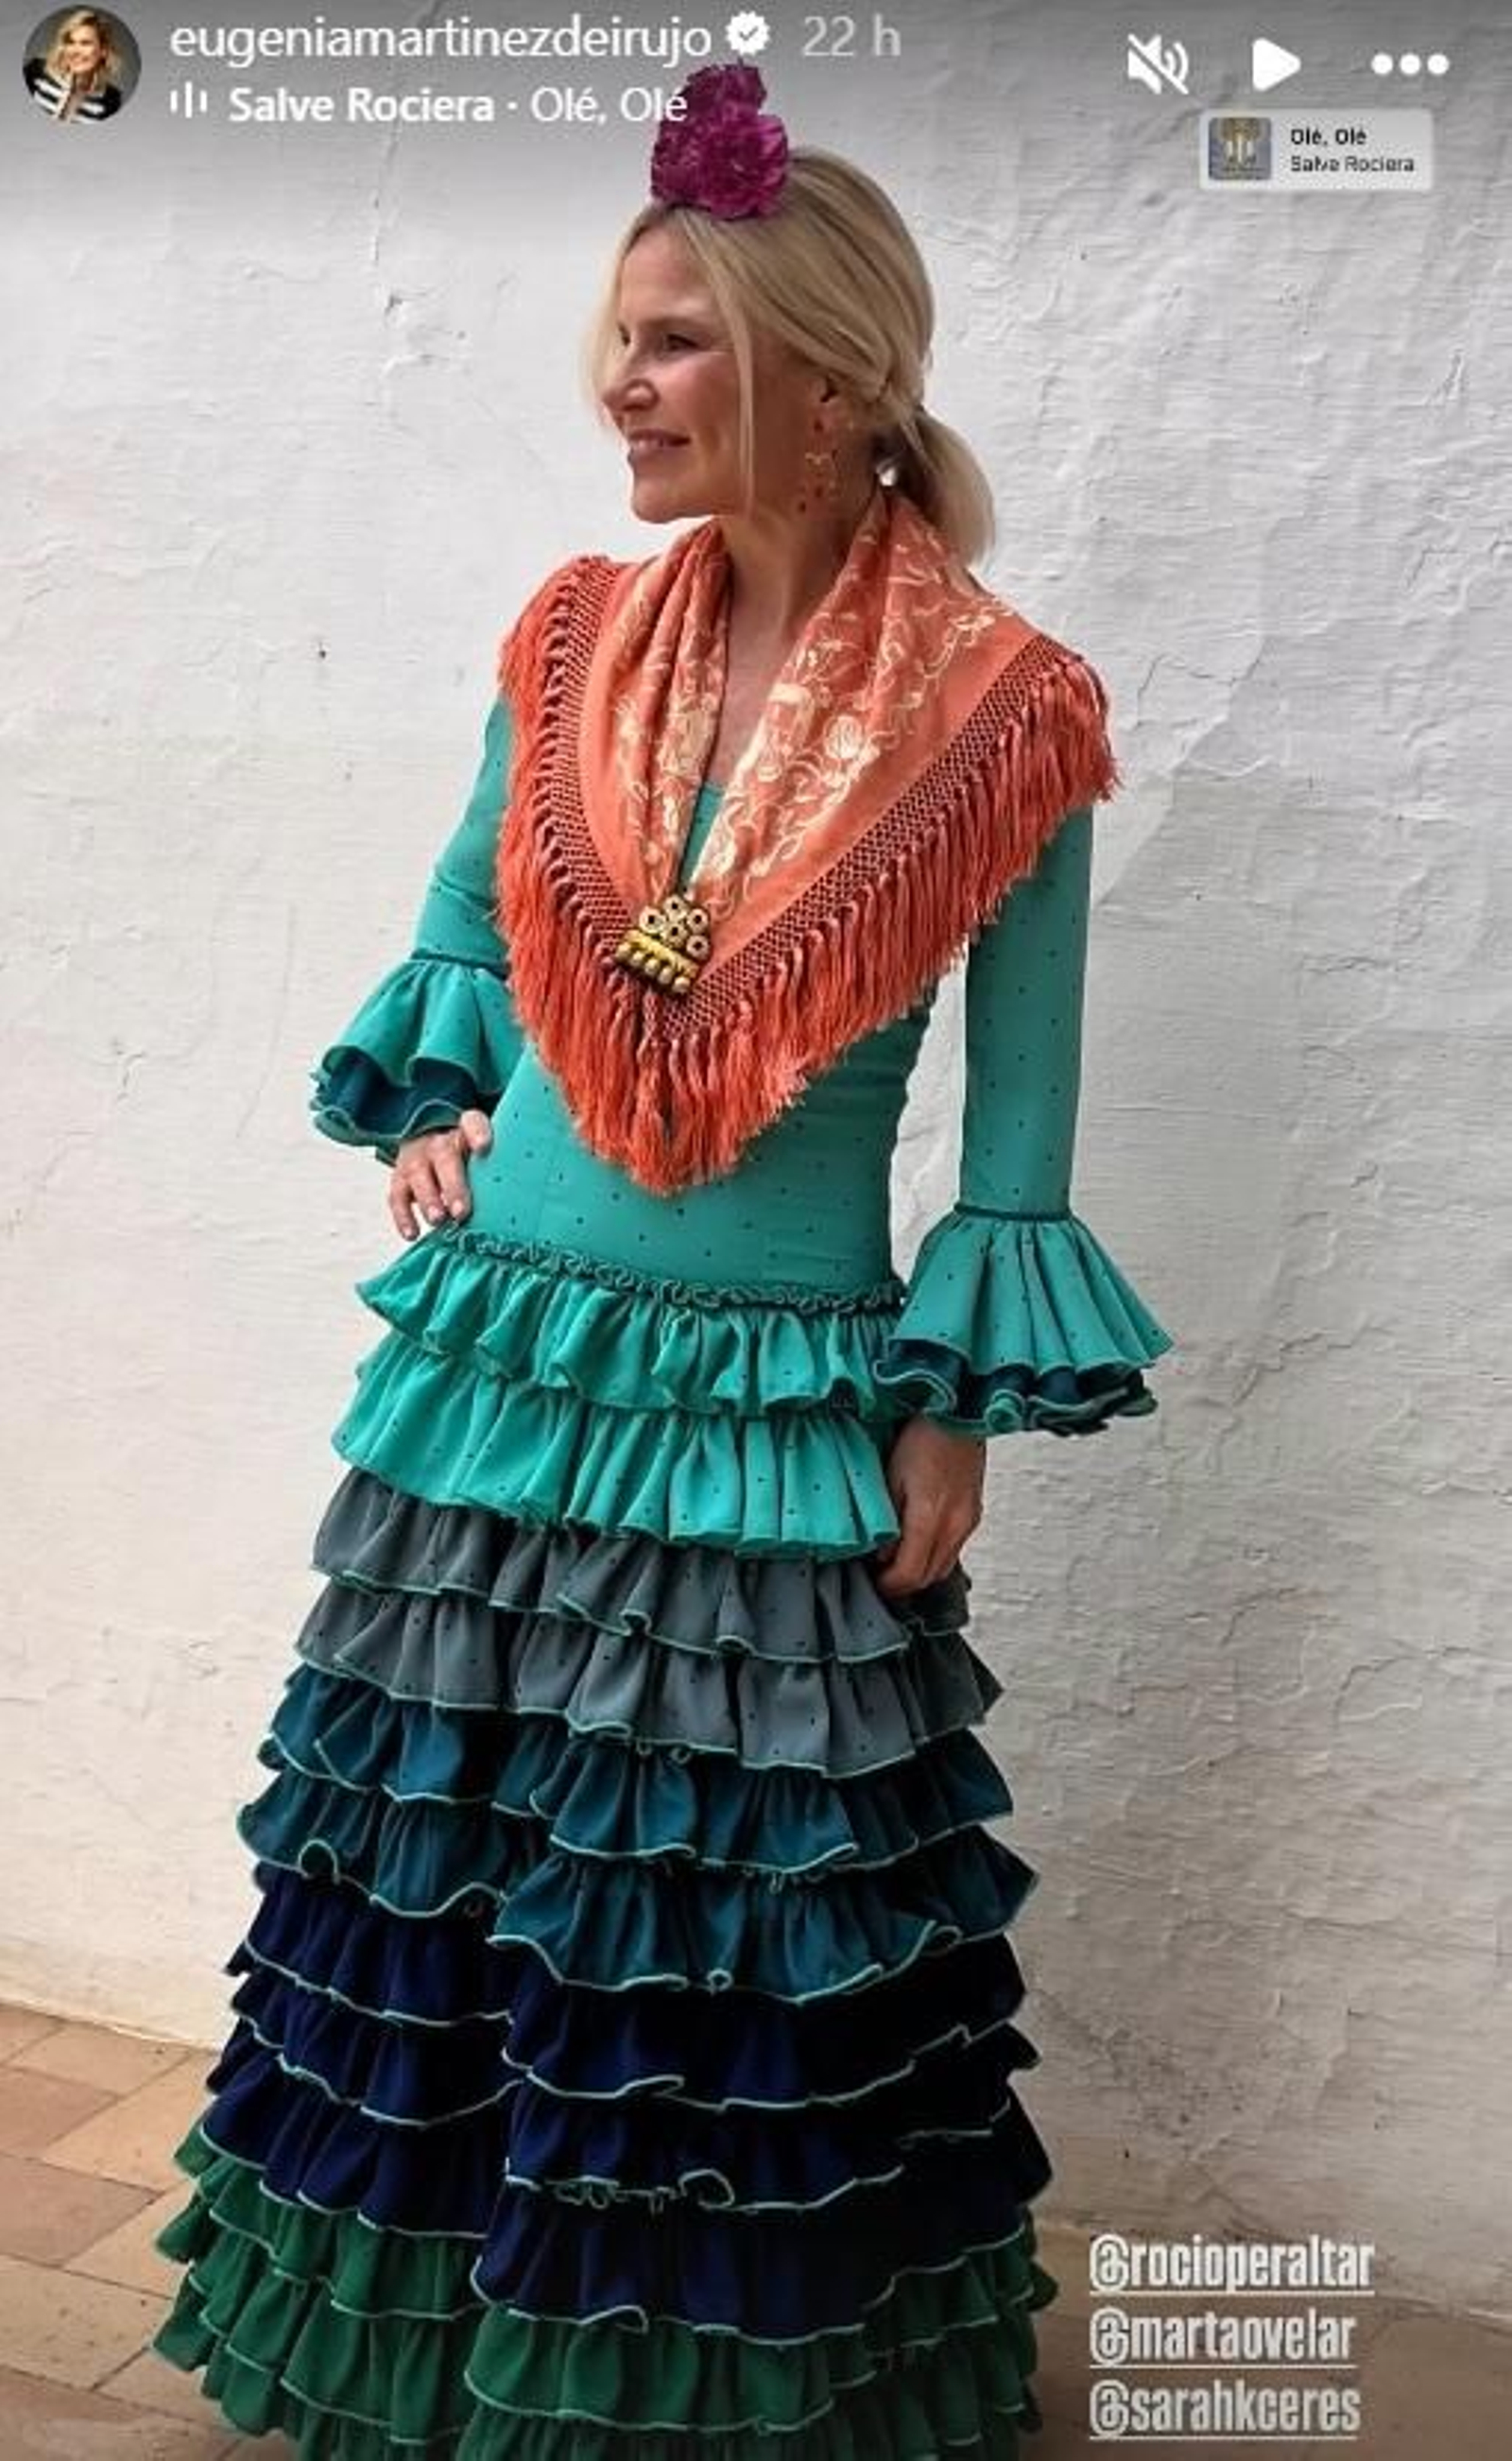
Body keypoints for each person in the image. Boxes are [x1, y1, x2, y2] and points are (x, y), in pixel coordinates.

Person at [151, 60, 1173, 2455]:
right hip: (498, 1363)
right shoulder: (567, 639)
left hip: (762, 1404)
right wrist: (441, 1113)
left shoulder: (1001, 721)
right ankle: (420, 2344)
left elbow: (1010, 1141)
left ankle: (700, 2386)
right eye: (618, 340)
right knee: (437, 1867)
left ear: (833, 371)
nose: (619, 384)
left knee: (724, 1917)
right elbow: (456, 942)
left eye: (675, 339)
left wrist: (944, 1405)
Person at [24, 9, 124, 120]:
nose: (75, 51)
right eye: (70, 42)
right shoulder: (37, 70)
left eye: (85, 43)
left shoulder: (110, 100)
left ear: (103, 50)